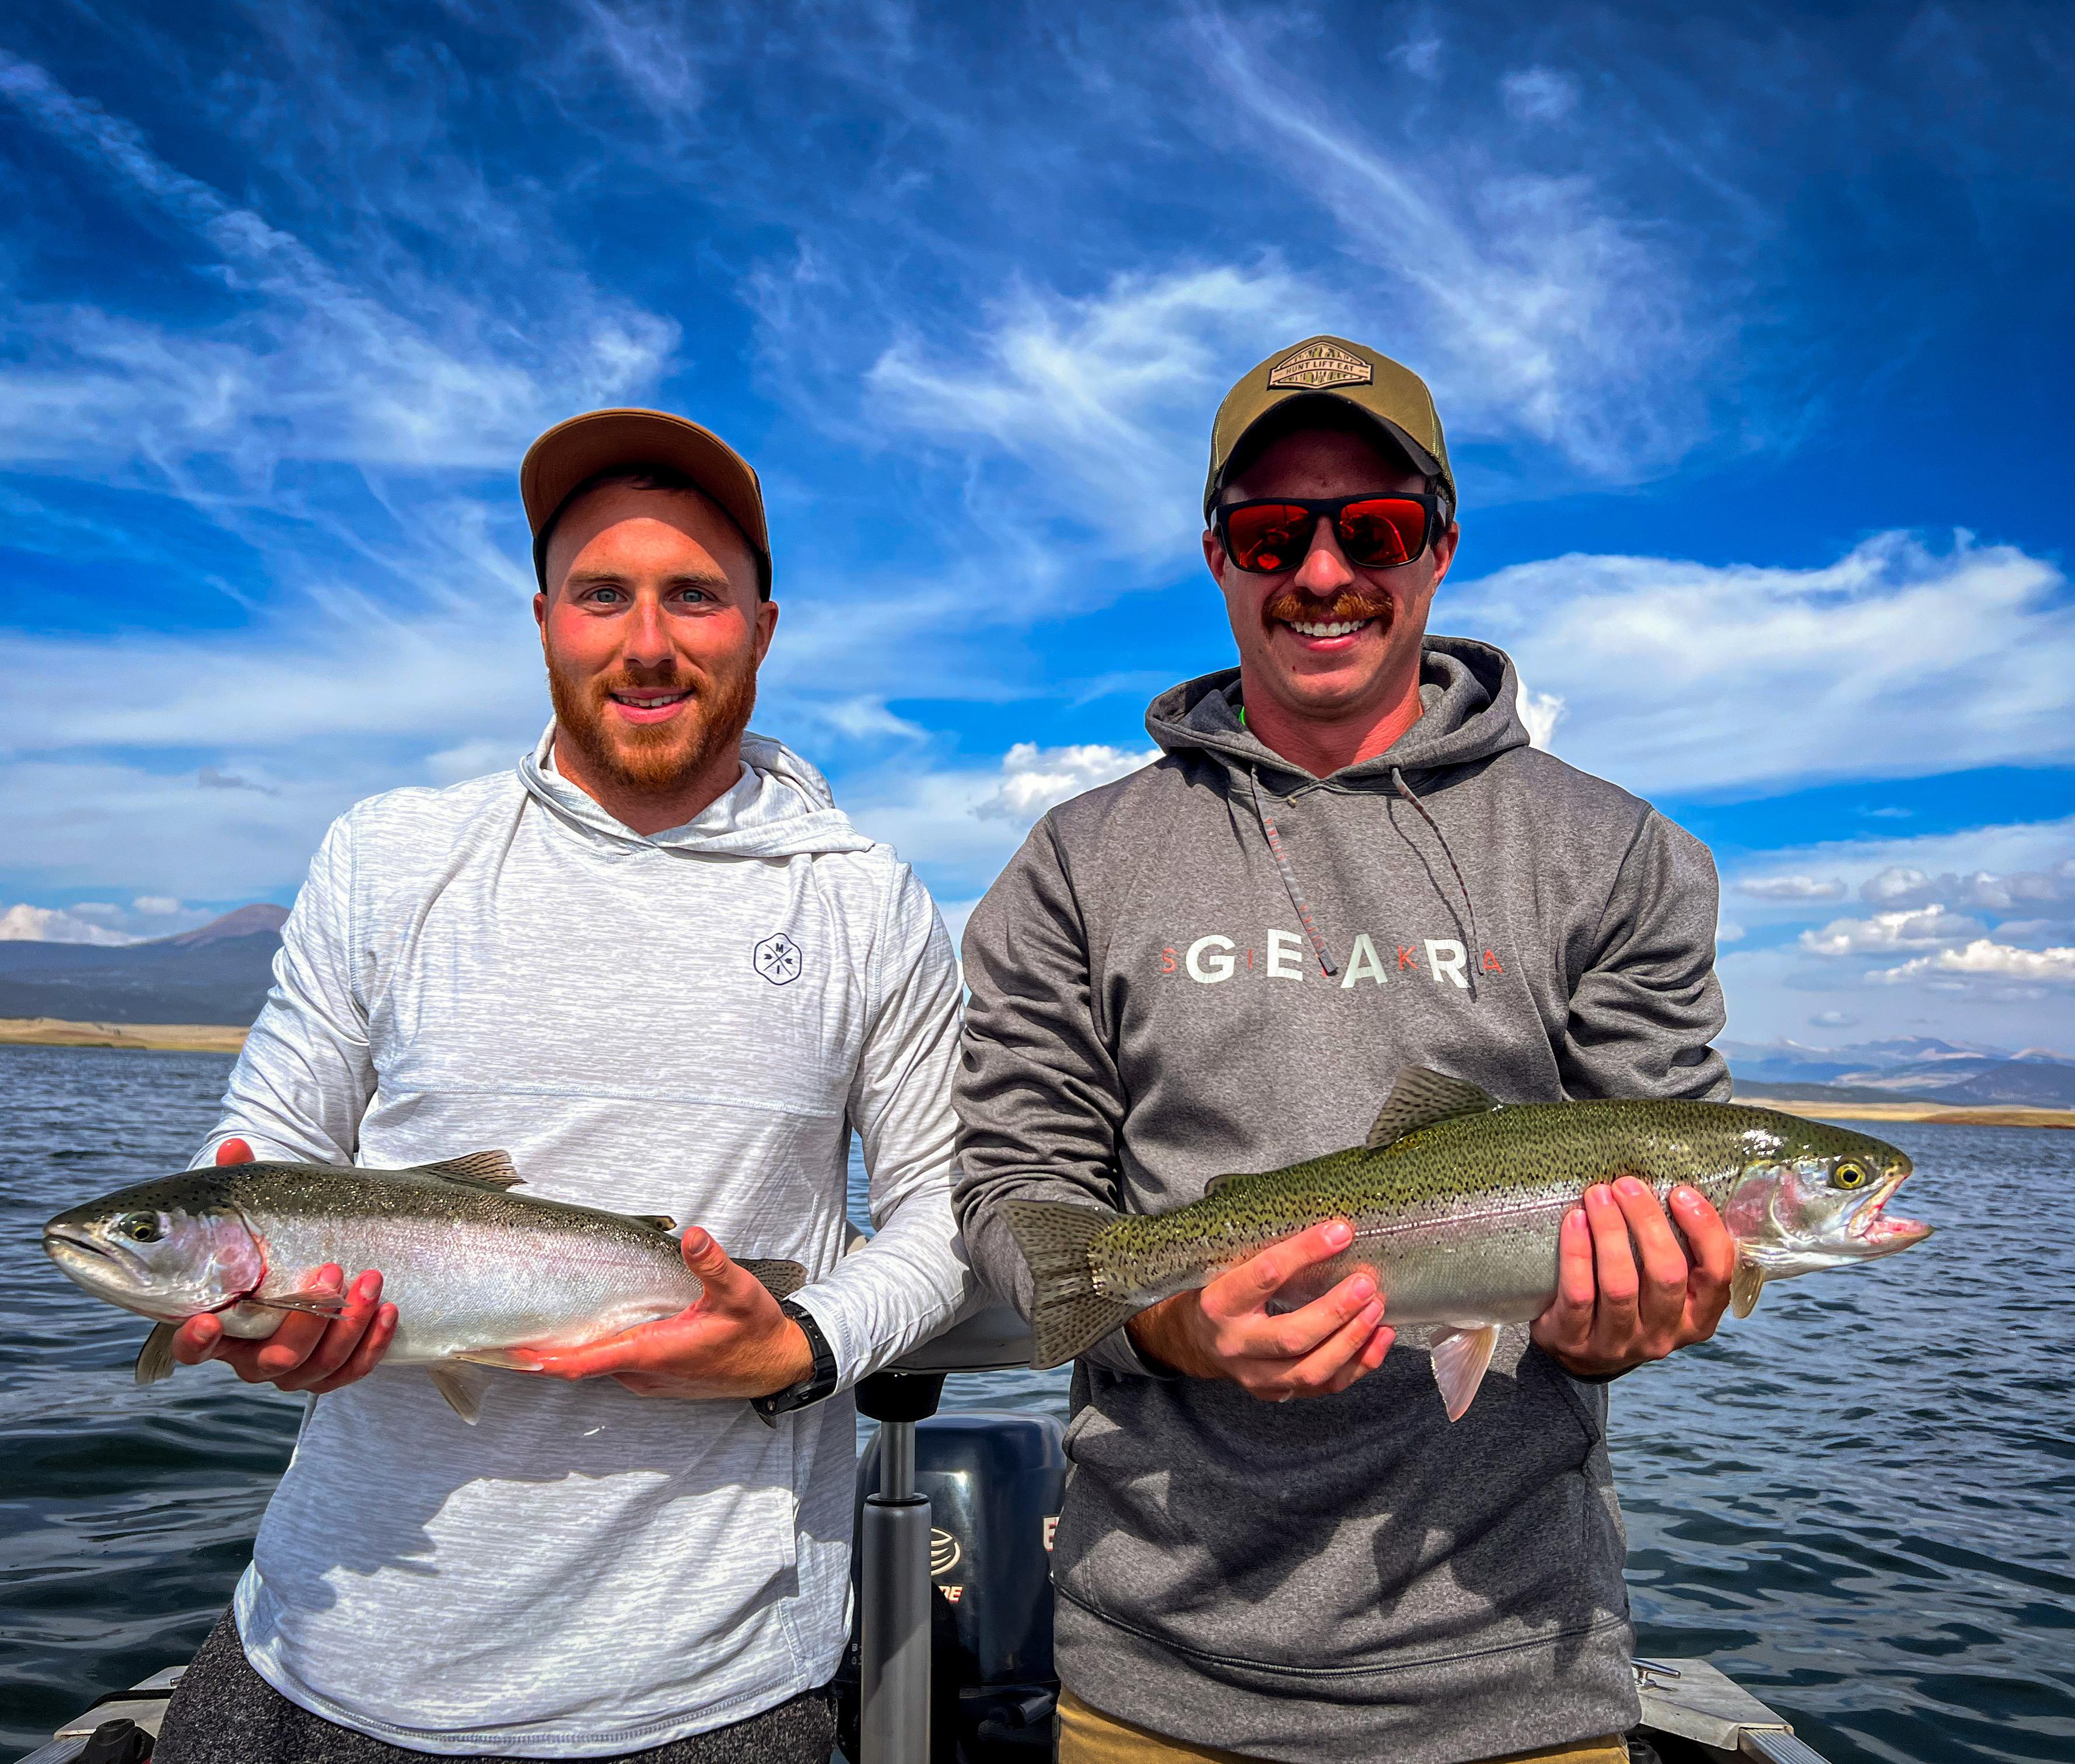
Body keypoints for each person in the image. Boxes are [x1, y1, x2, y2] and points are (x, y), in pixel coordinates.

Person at [953, 336, 1735, 1764]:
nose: (1322, 576)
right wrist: (1168, 1320)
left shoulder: (1612, 851)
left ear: (1438, 547)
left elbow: (1662, 1153)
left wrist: (1632, 1320)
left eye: (1371, 529)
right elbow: (1013, 1187)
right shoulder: (1077, 860)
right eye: (1272, 534)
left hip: (1520, 1678)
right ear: (1217, 555)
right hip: (1152, 1682)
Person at [153, 409, 972, 1763]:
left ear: (763, 629)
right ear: (544, 621)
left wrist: (798, 1348)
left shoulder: (867, 899)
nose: (647, 641)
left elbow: (950, 1209)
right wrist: (254, 1312)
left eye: (695, 595)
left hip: (713, 1688)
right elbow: (270, 1148)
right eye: (604, 594)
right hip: (325, 1646)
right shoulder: (387, 856)